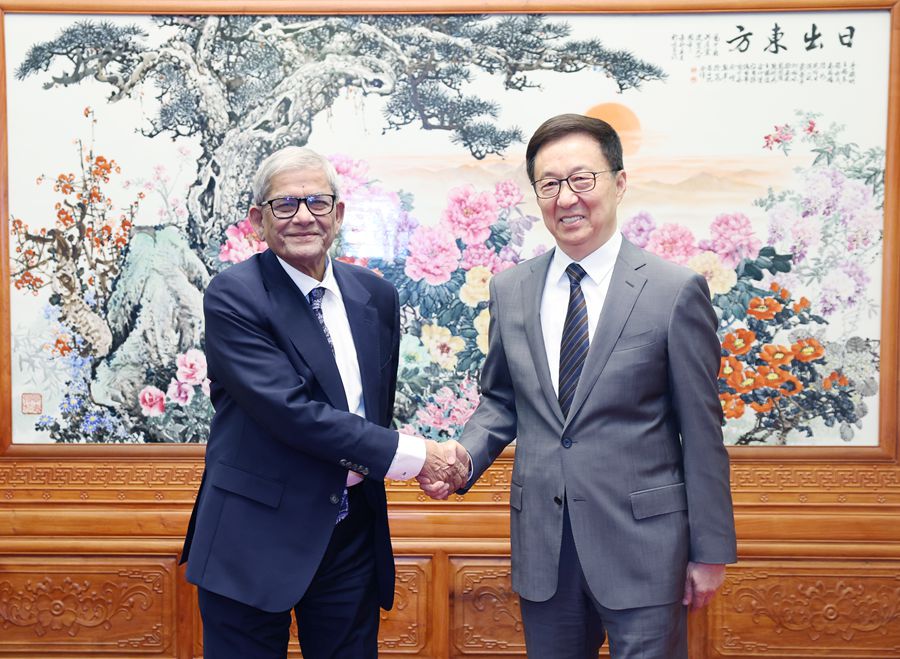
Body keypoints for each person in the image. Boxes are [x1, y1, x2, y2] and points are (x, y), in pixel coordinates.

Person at [420, 114, 737, 658]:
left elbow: (702, 430)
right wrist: (464, 458)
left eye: (582, 179)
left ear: (618, 182)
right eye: (549, 184)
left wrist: (710, 551)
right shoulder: (510, 289)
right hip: (545, 546)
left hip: (646, 548)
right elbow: (501, 399)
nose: (566, 198)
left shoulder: (673, 290)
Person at [180, 146, 464, 658]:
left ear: (339, 213)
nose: (304, 216)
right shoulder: (234, 296)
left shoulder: (375, 296)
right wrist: (421, 457)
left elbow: (367, 409)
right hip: (253, 533)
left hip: (349, 532)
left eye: (317, 201)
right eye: (285, 204)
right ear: (257, 220)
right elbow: (293, 414)